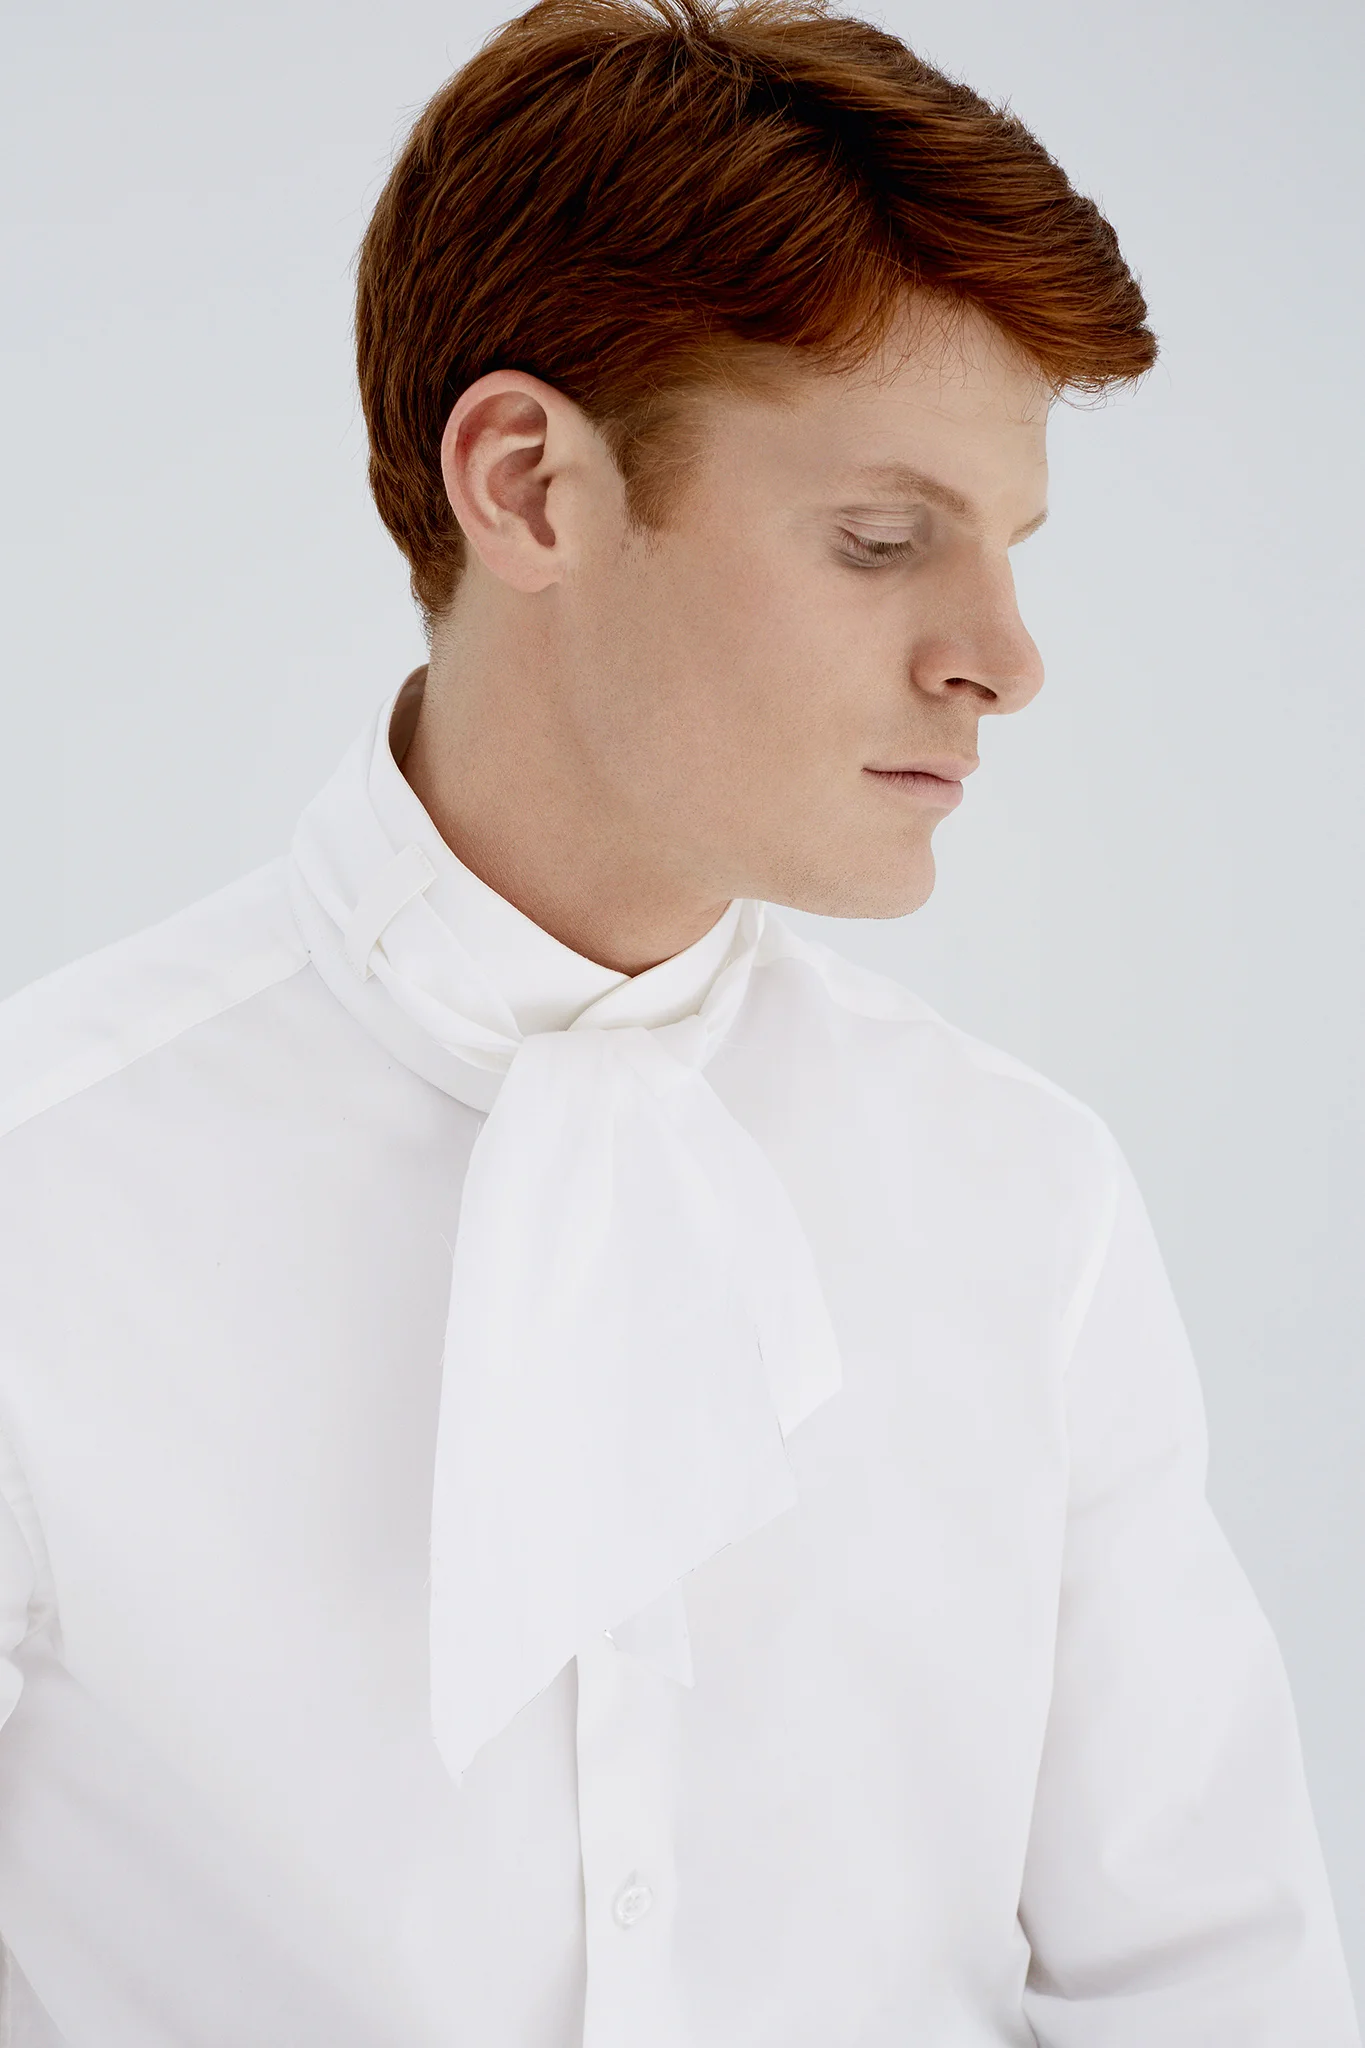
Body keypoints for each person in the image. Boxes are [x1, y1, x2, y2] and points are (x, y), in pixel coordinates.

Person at [0, 0, 1357, 2039]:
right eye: (882, 540)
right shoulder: (40, 1200)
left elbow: (1212, 1984)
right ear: (529, 485)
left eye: (1011, 553)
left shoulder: (1024, 1202)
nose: (1005, 659)